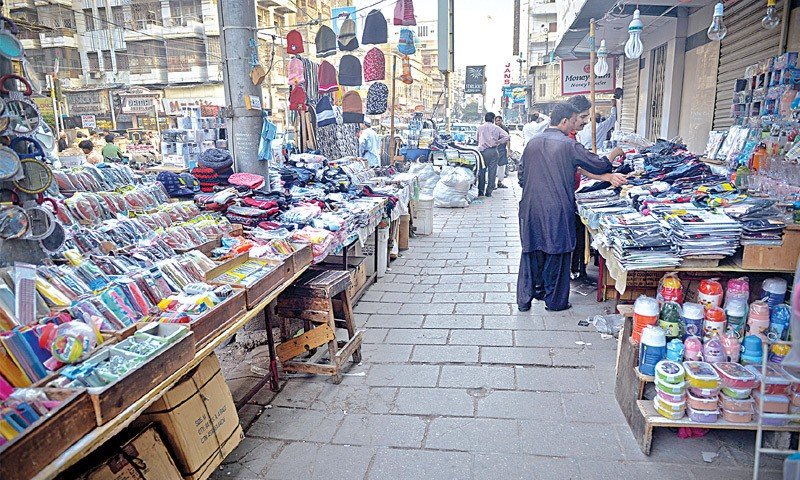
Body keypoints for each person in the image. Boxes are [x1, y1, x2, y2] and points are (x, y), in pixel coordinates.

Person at [516, 102, 626, 312]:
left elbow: (521, 176)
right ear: (565, 121)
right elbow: (599, 164)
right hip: (556, 207)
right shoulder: (568, 145)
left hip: (530, 207)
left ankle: (525, 299)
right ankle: (555, 301)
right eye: (577, 119)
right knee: (557, 251)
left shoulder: (532, 143)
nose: (579, 123)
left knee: (531, 251)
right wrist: (613, 155)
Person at [476, 112, 509, 197]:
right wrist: (498, 142)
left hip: (482, 152)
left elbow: (477, 139)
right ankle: (489, 191)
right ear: (492, 119)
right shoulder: (496, 128)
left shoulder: (480, 128)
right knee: (492, 172)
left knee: (482, 171)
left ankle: (480, 191)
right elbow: (507, 136)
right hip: (493, 151)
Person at [494, 115, 510, 189]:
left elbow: (508, 140)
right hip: (494, 150)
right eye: (496, 121)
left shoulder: (505, 128)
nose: (497, 122)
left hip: (502, 150)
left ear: (501, 121)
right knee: (494, 167)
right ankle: (493, 183)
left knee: (502, 167)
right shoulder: (493, 128)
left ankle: (499, 182)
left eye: (499, 120)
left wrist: (509, 150)